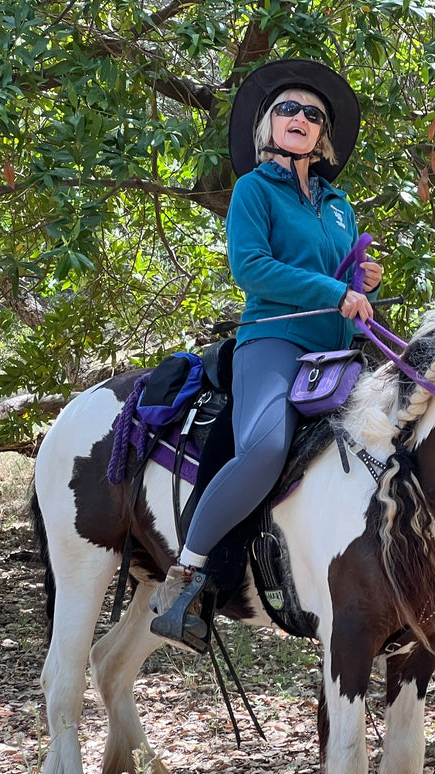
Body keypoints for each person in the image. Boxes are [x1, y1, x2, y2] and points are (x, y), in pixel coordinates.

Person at [149, 59, 383, 652]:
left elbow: (341, 281)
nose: (301, 118)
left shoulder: (339, 205)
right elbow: (251, 267)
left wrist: (362, 283)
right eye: (288, 109)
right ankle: (186, 576)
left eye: (313, 114)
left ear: (322, 135)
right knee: (265, 448)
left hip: (336, 352)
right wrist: (336, 292)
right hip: (274, 342)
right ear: (268, 126)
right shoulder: (253, 190)